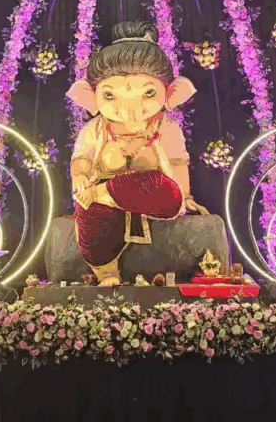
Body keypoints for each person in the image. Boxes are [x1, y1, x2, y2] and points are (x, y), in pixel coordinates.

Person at [66, 20, 207, 286]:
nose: (129, 108)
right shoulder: (95, 128)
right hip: (100, 202)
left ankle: (102, 193)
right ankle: (106, 272)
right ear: (90, 97)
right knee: (89, 212)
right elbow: (81, 158)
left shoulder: (166, 127)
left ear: (171, 93)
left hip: (153, 196)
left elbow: (178, 163)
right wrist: (81, 176)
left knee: (160, 187)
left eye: (148, 93)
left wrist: (186, 196)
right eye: (110, 96)